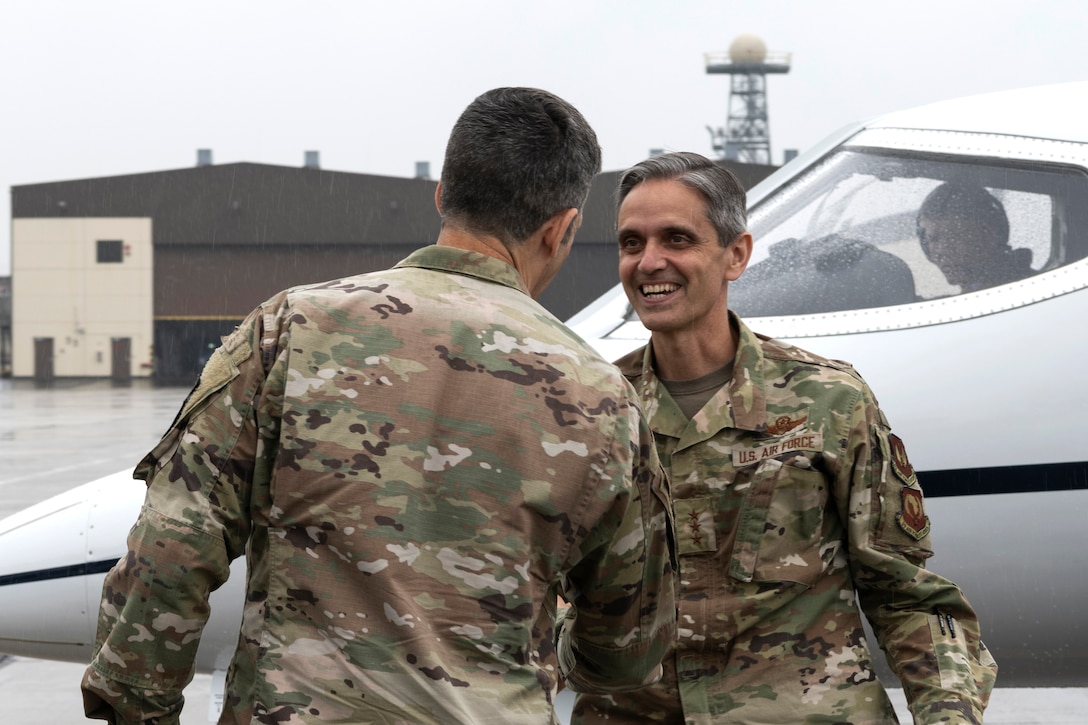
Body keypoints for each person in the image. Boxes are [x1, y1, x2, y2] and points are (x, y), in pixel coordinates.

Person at [81, 87, 677, 725]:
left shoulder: (291, 330)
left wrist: (137, 709)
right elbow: (629, 649)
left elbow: (173, 548)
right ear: (562, 228)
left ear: (443, 193)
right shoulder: (601, 395)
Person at [572, 152, 997, 724]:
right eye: (631, 243)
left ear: (737, 254)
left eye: (676, 239)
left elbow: (906, 596)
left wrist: (949, 715)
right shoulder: (589, 412)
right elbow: (545, 600)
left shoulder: (828, 401)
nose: (650, 262)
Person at [917, 181, 1035, 293]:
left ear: (988, 236)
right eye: (934, 239)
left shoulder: (1023, 290)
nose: (941, 250)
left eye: (954, 237)